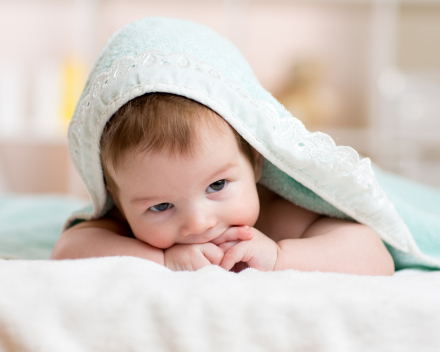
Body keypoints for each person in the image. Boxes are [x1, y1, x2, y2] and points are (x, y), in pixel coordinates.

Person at [51, 18, 395, 275]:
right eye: (161, 207)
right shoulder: (129, 228)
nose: (198, 223)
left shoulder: (279, 213)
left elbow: (375, 256)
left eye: (217, 186)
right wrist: (162, 259)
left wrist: (280, 257)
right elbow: (68, 251)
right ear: (119, 197)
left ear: (255, 159)